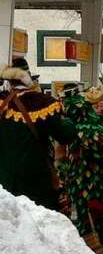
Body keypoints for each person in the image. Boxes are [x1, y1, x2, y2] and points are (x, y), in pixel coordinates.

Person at [0, 61, 76, 212]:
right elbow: (65, 135)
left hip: (4, 179)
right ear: (29, 78)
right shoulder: (45, 102)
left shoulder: (3, 102)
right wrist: (67, 121)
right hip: (36, 180)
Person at [61, 89, 103, 241]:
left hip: (98, 176)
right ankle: (90, 239)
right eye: (96, 103)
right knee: (89, 208)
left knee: (97, 208)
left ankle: (96, 236)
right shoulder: (86, 127)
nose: (101, 105)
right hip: (86, 176)